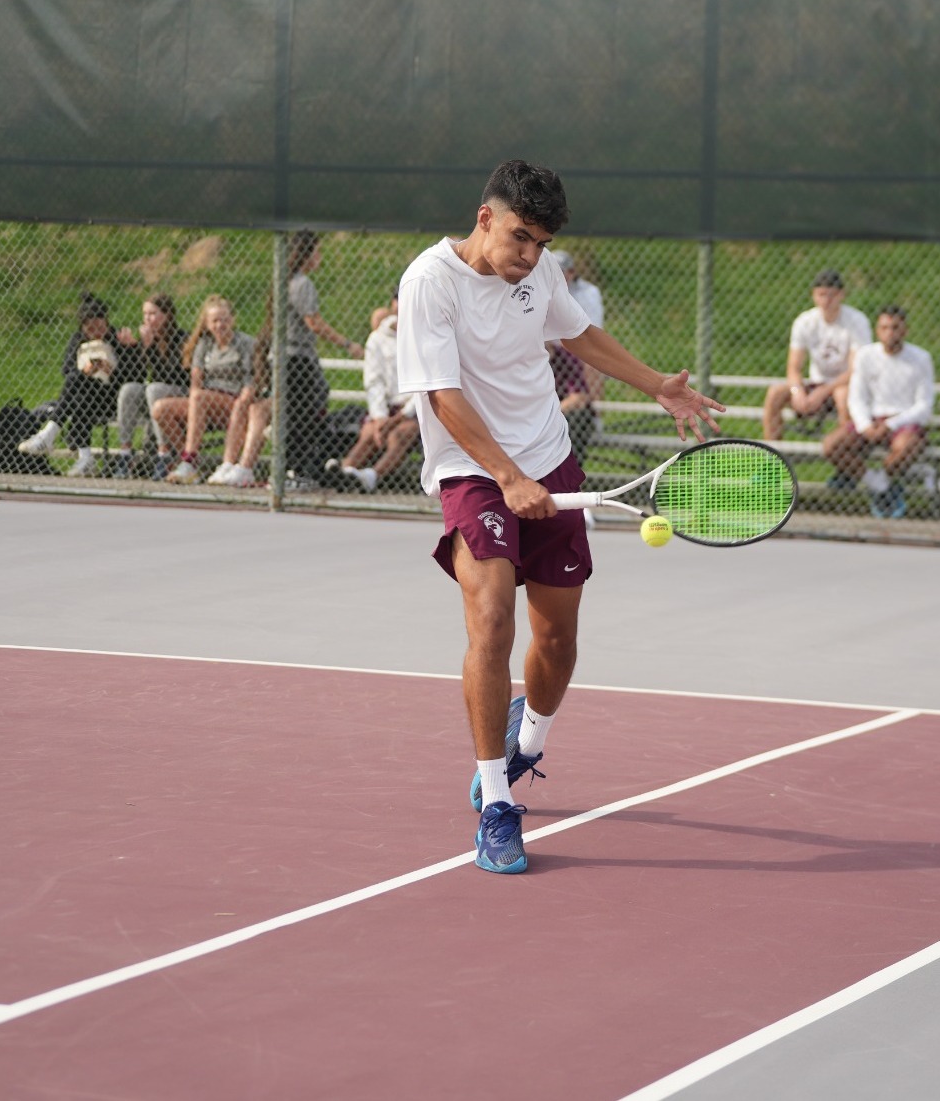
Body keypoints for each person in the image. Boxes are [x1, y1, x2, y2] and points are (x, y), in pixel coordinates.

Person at [395, 159, 722, 874]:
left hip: (549, 458)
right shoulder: (429, 282)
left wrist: (657, 383)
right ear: (485, 217)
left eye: (541, 243)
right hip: (474, 472)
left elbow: (579, 334)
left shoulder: (538, 274)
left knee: (557, 640)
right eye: (520, 238)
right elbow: (443, 395)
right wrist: (506, 477)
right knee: (491, 620)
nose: (530, 256)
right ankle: (497, 803)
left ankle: (529, 743)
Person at [824, 305, 933, 518]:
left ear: (905, 330)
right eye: (884, 328)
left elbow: (924, 405)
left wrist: (891, 424)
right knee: (832, 446)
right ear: (877, 330)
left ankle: (884, 484)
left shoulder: (921, 358)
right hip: (871, 420)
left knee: (906, 446)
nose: (889, 333)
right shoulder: (865, 356)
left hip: (903, 422)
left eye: (895, 328)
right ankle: (879, 487)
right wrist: (865, 425)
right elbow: (857, 397)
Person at [277, 230, 362, 491]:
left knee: (296, 414)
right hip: (297, 359)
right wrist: (347, 344)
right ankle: (296, 470)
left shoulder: (286, 280)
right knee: (304, 415)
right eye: (317, 251)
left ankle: (292, 470)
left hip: (289, 358)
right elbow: (313, 322)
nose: (319, 257)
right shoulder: (301, 284)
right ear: (307, 254)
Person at [19, 293, 139, 476]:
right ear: (83, 328)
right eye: (90, 329)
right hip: (84, 397)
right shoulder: (78, 341)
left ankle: (50, 434)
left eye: (100, 327)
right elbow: (67, 371)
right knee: (78, 388)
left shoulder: (117, 339)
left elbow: (134, 377)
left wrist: (115, 369)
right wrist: (86, 371)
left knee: (76, 388)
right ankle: (84, 458)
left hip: (110, 398)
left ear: (106, 323)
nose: (96, 332)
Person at [156, 296, 258, 485]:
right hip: (204, 402)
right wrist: (196, 400)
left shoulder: (245, 343)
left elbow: (251, 381)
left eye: (225, 319)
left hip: (233, 401)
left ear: (233, 320)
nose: (220, 325)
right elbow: (196, 378)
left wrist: (243, 402)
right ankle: (192, 464)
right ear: (207, 323)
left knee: (200, 397)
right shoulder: (204, 344)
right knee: (161, 409)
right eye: (215, 321)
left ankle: (189, 461)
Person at [762, 269, 870, 440]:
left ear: (842, 295)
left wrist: (823, 392)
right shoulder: (804, 322)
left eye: (831, 295)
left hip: (844, 385)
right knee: (775, 393)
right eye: (821, 295)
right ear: (813, 295)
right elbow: (794, 367)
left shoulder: (857, 321)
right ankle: (772, 455)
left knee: (843, 395)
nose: (826, 301)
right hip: (815, 384)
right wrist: (797, 391)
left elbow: (855, 370)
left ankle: (844, 452)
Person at [332, 285, 419, 492]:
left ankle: (371, 477)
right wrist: (380, 418)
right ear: (393, 304)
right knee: (369, 432)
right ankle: (345, 472)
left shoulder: (424, 336)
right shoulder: (378, 338)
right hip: (386, 409)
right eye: (398, 300)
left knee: (399, 435)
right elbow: (374, 381)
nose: (402, 306)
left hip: (413, 412)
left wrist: (398, 418)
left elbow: (425, 389)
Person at [110, 293, 188, 479]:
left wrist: (150, 348)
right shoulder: (148, 340)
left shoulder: (182, 338)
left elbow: (175, 375)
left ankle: (164, 454)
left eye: (152, 313)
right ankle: (126, 453)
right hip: (153, 398)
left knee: (155, 389)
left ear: (167, 315)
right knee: (129, 389)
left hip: (179, 395)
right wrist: (131, 349)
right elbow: (136, 376)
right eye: (145, 314)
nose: (147, 318)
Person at [546, 250, 607, 458]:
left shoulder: (587, 292)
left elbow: (591, 333)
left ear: (571, 273)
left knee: (591, 359)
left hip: (575, 349)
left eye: (561, 271)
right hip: (548, 347)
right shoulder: (537, 287)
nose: (556, 276)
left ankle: (596, 414)